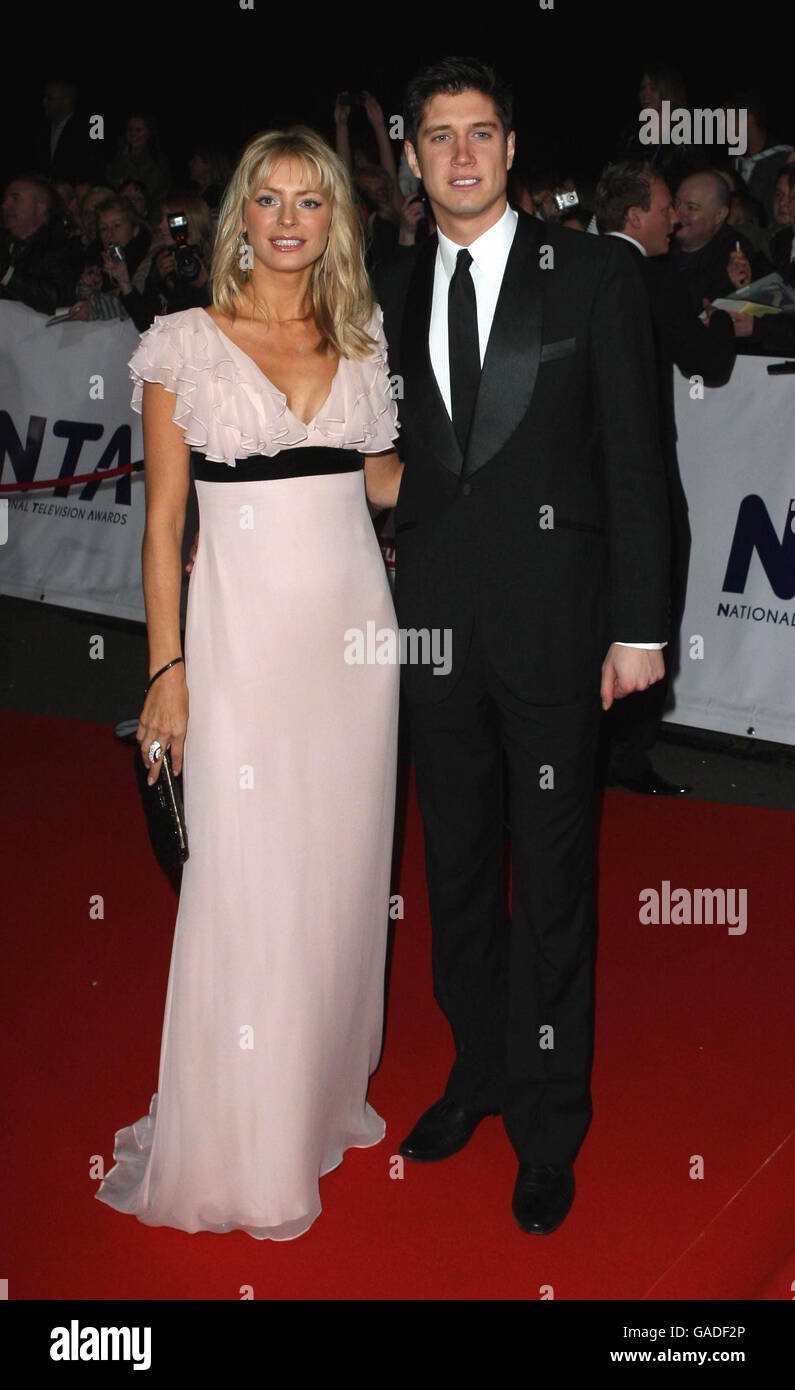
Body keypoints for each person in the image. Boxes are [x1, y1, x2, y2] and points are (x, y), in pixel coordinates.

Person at [376, 58, 669, 1235]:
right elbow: (383, 452)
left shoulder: (594, 272)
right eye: (436, 136)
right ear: (410, 154)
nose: (458, 154)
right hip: (435, 635)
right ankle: (479, 1073)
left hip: (557, 636)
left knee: (551, 888)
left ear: (509, 148)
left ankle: (550, 1123)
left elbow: (639, 461)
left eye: (479, 133)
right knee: (452, 877)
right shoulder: (390, 286)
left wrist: (639, 626)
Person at [94, 125, 403, 1241]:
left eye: (309, 201)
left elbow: (385, 488)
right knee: (247, 877)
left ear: (335, 220)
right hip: (244, 649)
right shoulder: (186, 342)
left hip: (355, 653)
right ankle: (248, 1142)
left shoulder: (360, 337)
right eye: (266, 198)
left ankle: (316, 1096)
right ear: (241, 214)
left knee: (335, 873)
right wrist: (165, 674)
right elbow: (163, 524)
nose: (286, 219)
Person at [594, 161, 736, 795]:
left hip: (575, 479)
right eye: (663, 209)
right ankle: (627, 753)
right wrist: (732, 322)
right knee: (654, 592)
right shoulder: (652, 280)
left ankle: (587, 751)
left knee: (588, 604)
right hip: (642, 473)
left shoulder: (571, 268)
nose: (672, 221)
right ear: (634, 217)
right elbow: (709, 363)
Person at [671, 170, 773, 312]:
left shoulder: (735, 256)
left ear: (719, 215)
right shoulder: (662, 242)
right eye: (676, 203)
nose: (677, 213)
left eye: (691, 208)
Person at [0, 173, 83, 315]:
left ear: (40, 207)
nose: (4, 205)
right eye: (5, 199)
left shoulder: (60, 247)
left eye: (15, 199)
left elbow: (58, 299)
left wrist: (7, 274)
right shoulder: (5, 243)